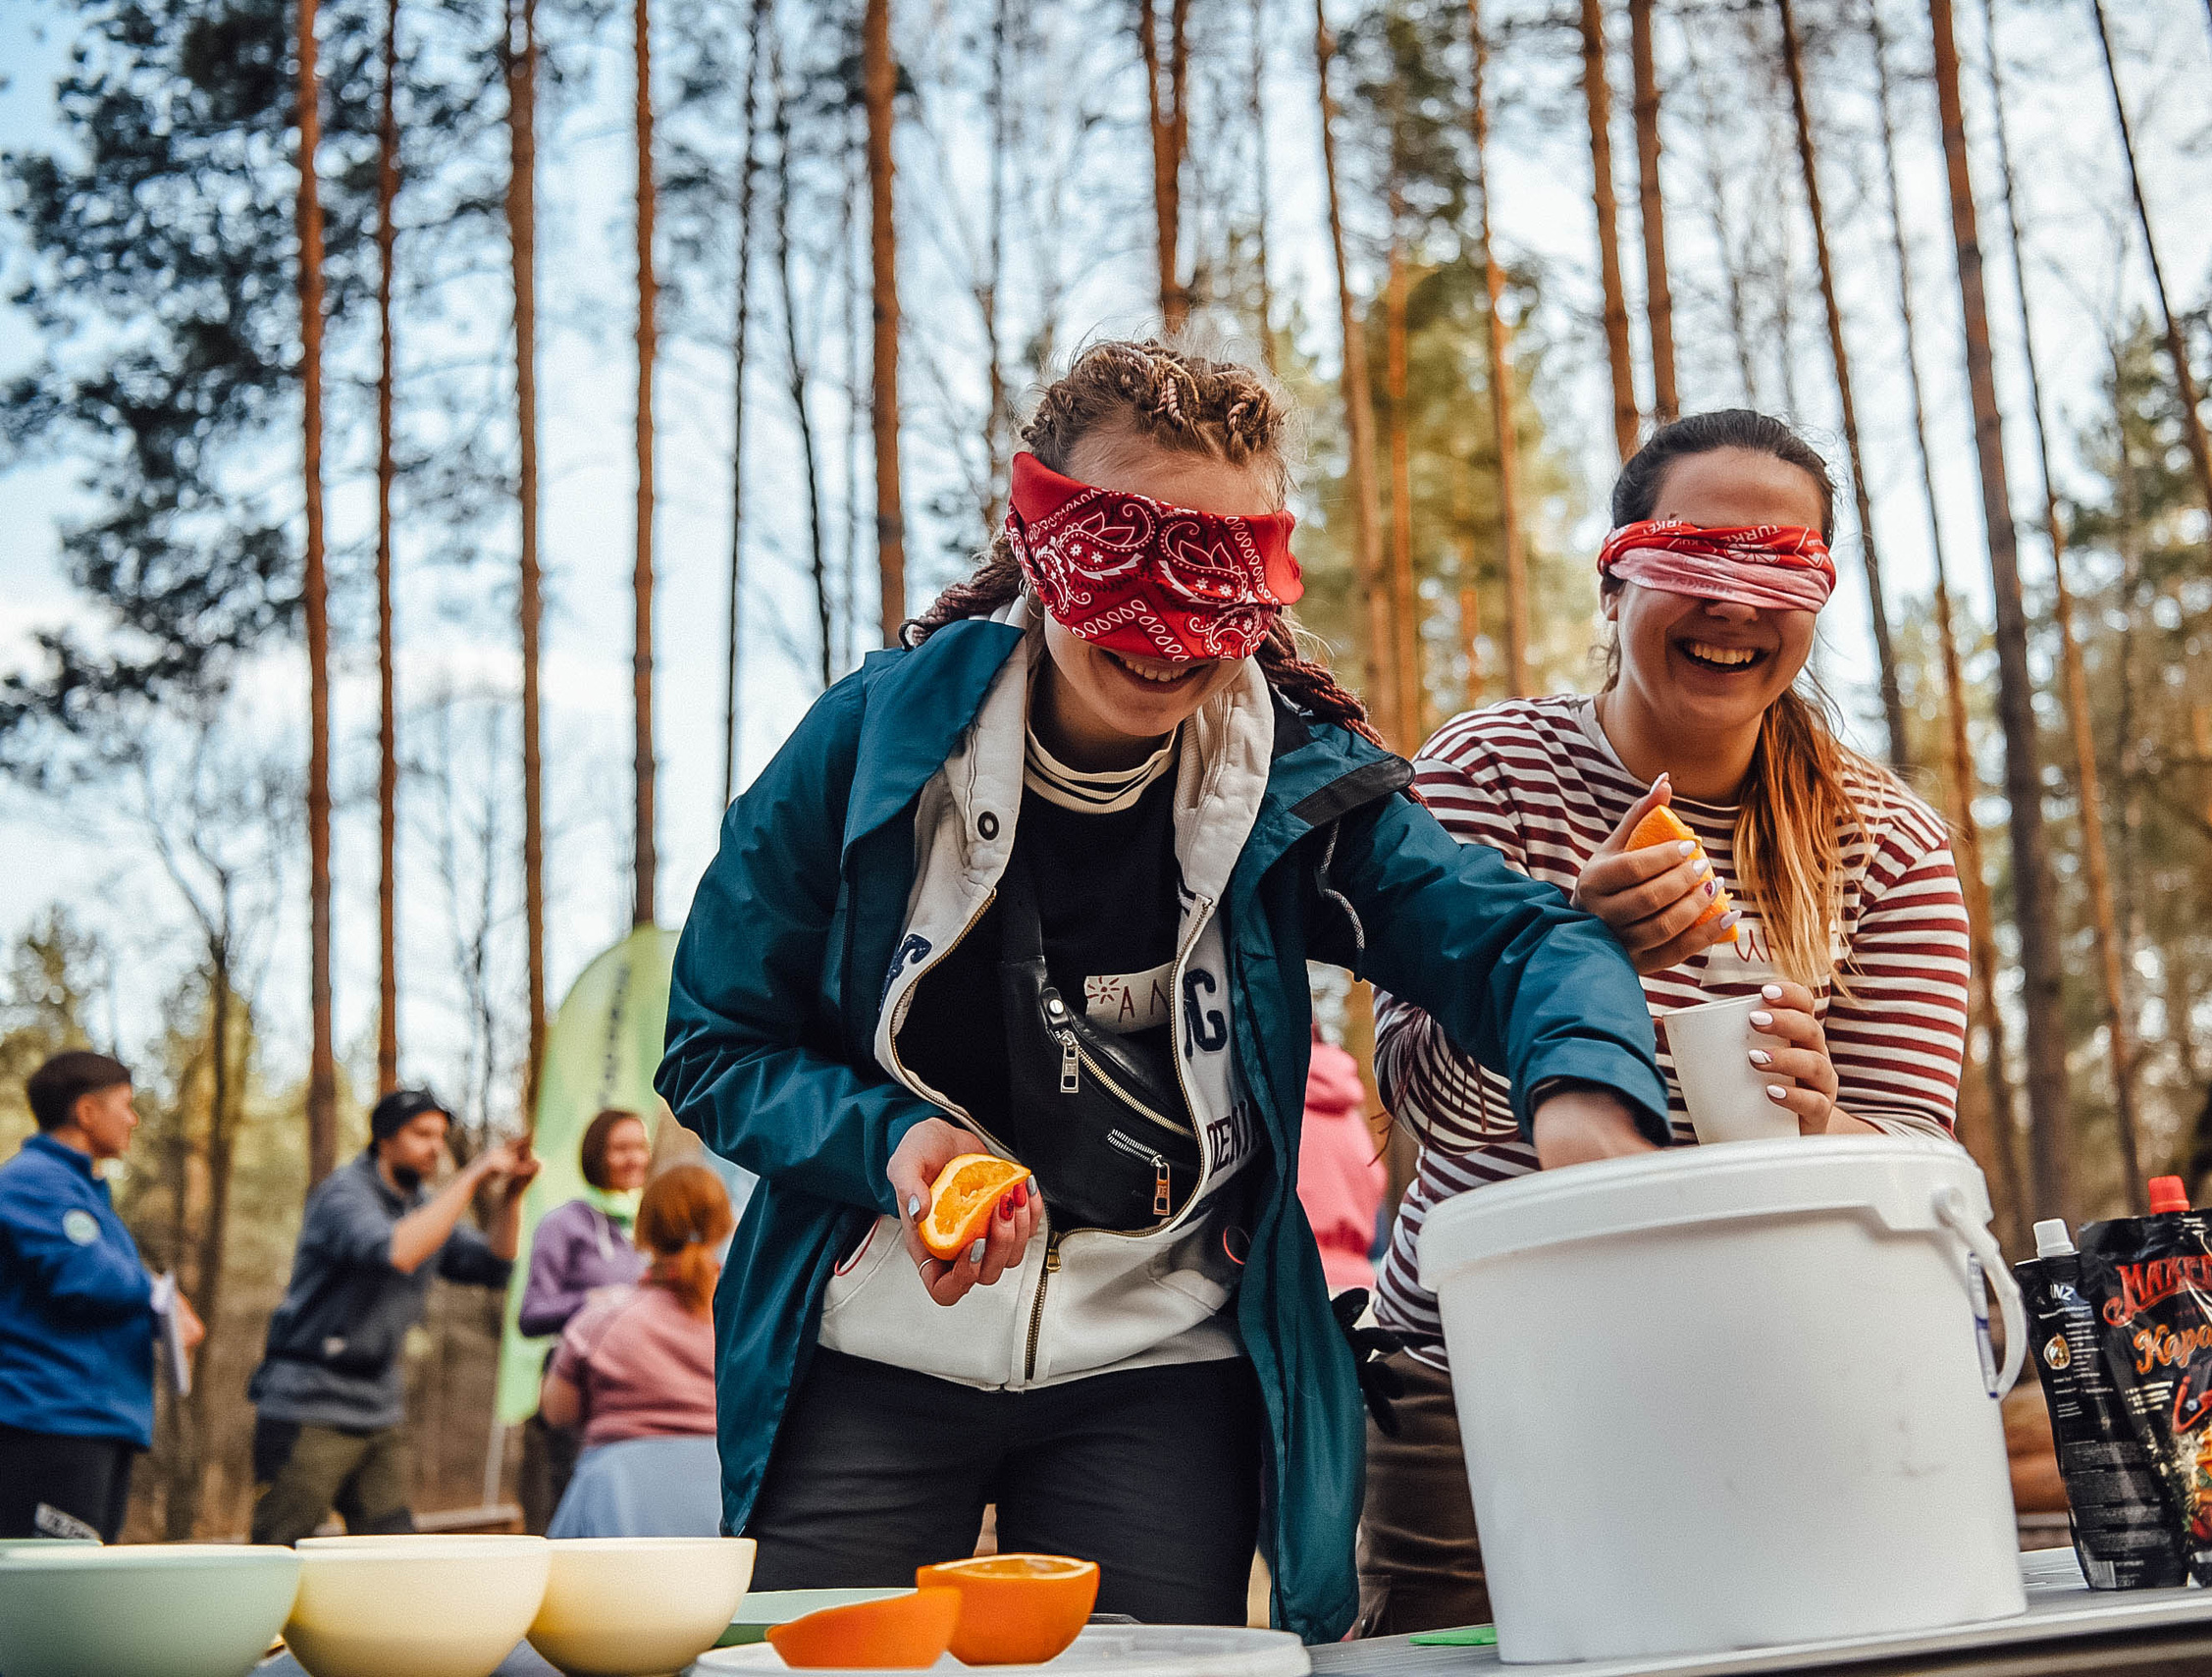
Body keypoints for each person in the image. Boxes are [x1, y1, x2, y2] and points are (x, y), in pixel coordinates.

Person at [657, 339, 1668, 1641]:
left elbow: (1525, 940)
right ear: (1035, 534)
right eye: (1122, 556)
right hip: (870, 1353)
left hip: (1160, 1367)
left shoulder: (1304, 789)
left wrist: (1589, 1095)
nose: (1164, 630)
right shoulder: (863, 749)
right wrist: (892, 1139)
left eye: (1218, 572)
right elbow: (713, 1043)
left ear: (1270, 581)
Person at [1357, 409, 1975, 1635]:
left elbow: (1922, 1168)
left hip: (1775, 1365)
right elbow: (1419, 1096)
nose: (1734, 604)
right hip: (1476, 1367)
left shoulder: (1888, 844)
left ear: (1819, 600)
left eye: (1779, 566)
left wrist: (1822, 1114)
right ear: (1616, 576)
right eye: (1696, 556)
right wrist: (1562, 959)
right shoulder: (1488, 769)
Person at [246, 1087, 539, 1545]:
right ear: (384, 1139)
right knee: (278, 1545)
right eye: (422, 1134)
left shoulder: (421, 1205)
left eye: (441, 1136)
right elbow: (397, 1251)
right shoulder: (343, 1195)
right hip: (307, 1401)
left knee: (393, 1550)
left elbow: (496, 1264)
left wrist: (513, 1195)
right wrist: (474, 1175)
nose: (435, 1148)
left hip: (378, 1406)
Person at [0, 1052, 201, 1541]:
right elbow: (82, 1275)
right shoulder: (33, 1181)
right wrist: (161, 1296)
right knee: (50, 1600)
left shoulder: (83, 1193)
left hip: (94, 1423)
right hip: (49, 1423)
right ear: (87, 1112)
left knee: (81, 1584)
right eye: (126, 1105)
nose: (133, 1119)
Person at [540, 1163, 731, 1538]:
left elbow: (557, 1411)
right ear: (724, 1226)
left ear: (645, 1232)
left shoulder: (600, 1320)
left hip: (614, 1511)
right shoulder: (749, 1320)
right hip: (727, 1512)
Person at [517, 1109, 652, 1530]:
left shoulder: (651, 1222)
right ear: (596, 1155)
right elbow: (531, 1315)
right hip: (579, 1385)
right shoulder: (564, 1224)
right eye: (620, 1148)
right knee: (575, 1499)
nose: (634, 1158)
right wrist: (593, 1301)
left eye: (640, 1146)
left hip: (641, 1385)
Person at [1295, 1028, 1385, 1296]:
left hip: (1299, 1279)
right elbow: (1375, 1181)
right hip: (1361, 1283)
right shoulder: (1350, 1116)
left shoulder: (1279, 1105)